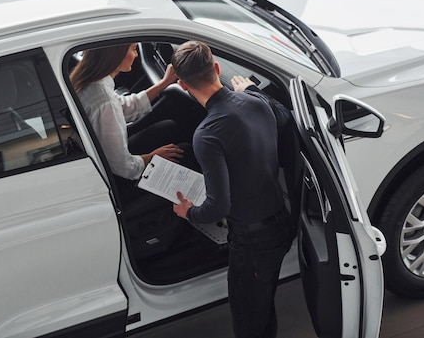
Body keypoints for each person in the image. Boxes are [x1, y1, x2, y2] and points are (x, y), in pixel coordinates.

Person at [170, 40, 293, 338]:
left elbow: (218, 207)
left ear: (183, 86)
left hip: (252, 241)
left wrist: (189, 212)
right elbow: (285, 117)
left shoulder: (207, 134)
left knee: (248, 319)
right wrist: (250, 89)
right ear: (216, 68)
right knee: (261, 304)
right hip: (279, 222)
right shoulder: (256, 101)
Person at [70, 42, 187, 182]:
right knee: (185, 152)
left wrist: (163, 84)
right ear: (116, 55)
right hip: (118, 178)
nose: (137, 55)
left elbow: (126, 106)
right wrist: (152, 157)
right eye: (133, 49)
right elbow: (123, 167)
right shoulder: (104, 101)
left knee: (168, 127)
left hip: (102, 160)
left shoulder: (93, 84)